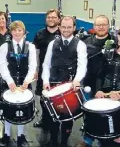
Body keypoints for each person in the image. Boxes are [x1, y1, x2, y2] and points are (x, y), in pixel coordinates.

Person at [42, 16, 87, 147]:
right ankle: (53, 140)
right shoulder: (52, 43)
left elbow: (82, 65)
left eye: (69, 27)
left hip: (70, 85)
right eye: (63, 27)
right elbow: (46, 64)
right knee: (53, 116)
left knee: (67, 116)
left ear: (74, 28)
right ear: (59, 27)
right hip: (53, 83)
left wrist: (77, 80)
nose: (66, 30)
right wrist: (45, 80)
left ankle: (64, 142)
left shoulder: (80, 44)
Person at [0, 21, 37, 147]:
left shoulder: (30, 46)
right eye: (14, 30)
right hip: (9, 82)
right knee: (8, 108)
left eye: (20, 30)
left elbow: (33, 66)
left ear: (24, 32)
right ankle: (7, 134)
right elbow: (2, 66)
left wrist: (27, 81)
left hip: (24, 82)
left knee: (23, 109)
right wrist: (9, 81)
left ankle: (21, 135)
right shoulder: (5, 46)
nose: (17, 32)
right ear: (11, 32)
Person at [78, 15, 111, 147]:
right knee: (90, 112)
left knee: (105, 114)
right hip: (88, 83)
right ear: (94, 26)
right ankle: (88, 140)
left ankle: (104, 139)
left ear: (108, 26)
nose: (101, 27)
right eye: (98, 24)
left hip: (107, 85)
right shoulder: (85, 41)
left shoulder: (115, 42)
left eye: (104, 24)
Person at [32, 9, 61, 128]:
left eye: (54, 17)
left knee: (57, 97)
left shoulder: (63, 33)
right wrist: (35, 70)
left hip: (59, 73)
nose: (51, 19)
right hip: (44, 71)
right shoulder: (39, 34)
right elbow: (36, 53)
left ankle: (57, 120)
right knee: (43, 96)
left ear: (59, 19)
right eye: (49, 17)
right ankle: (45, 119)